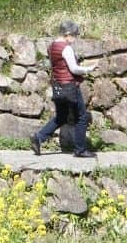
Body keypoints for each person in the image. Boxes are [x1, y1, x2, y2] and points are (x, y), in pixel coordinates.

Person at [31, 20, 97, 158]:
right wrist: (88, 69)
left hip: (57, 86)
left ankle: (39, 137)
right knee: (82, 117)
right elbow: (73, 69)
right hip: (69, 86)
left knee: (61, 117)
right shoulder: (66, 48)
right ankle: (80, 149)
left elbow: (58, 66)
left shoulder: (52, 47)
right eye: (74, 35)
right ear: (68, 34)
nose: (75, 39)